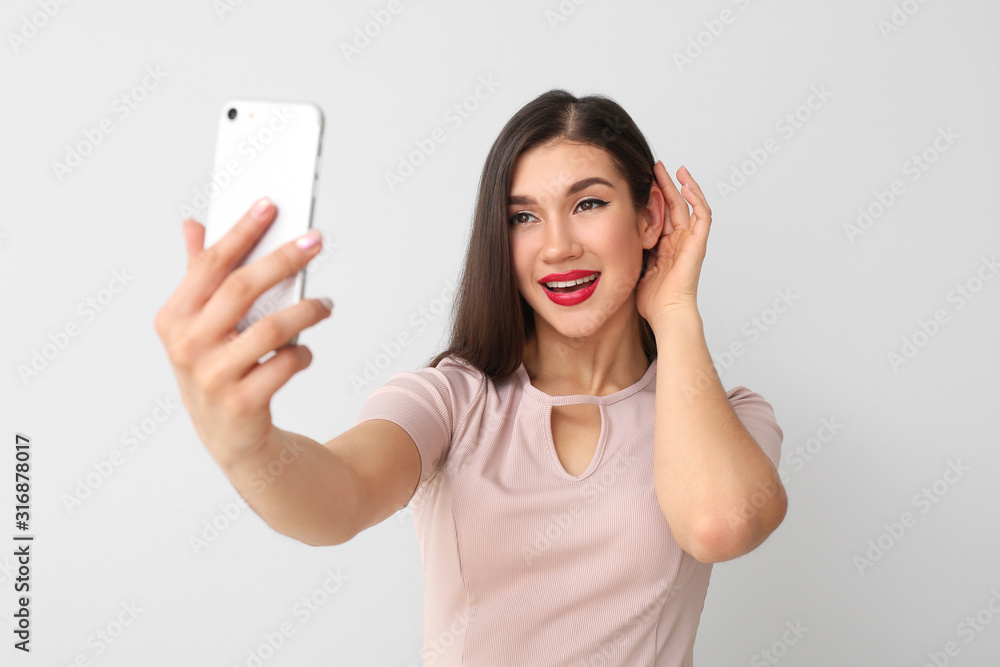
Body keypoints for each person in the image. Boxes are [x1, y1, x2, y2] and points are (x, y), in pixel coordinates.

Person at [155, 88, 787, 667]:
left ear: (649, 218)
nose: (557, 245)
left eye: (588, 203)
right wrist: (247, 446)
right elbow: (339, 498)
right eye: (523, 217)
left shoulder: (728, 417)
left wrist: (674, 311)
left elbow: (719, 525)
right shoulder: (450, 399)